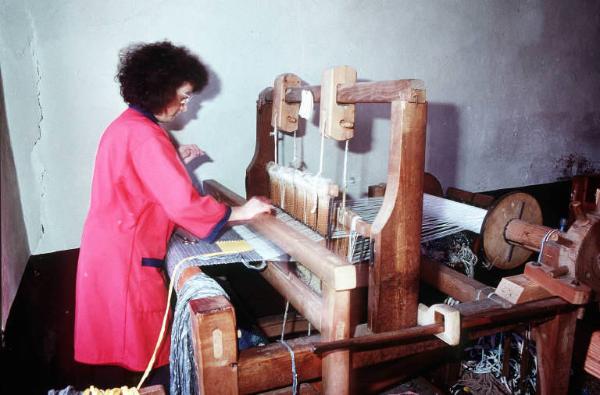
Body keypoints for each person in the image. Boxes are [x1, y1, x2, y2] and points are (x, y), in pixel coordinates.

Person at [73, 41, 271, 381]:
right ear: (159, 90)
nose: (184, 106)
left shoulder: (127, 126)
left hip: (113, 252)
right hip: (128, 260)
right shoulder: (147, 136)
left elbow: (140, 187)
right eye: (183, 96)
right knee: (151, 356)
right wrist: (243, 211)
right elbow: (182, 204)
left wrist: (174, 164)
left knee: (139, 351)